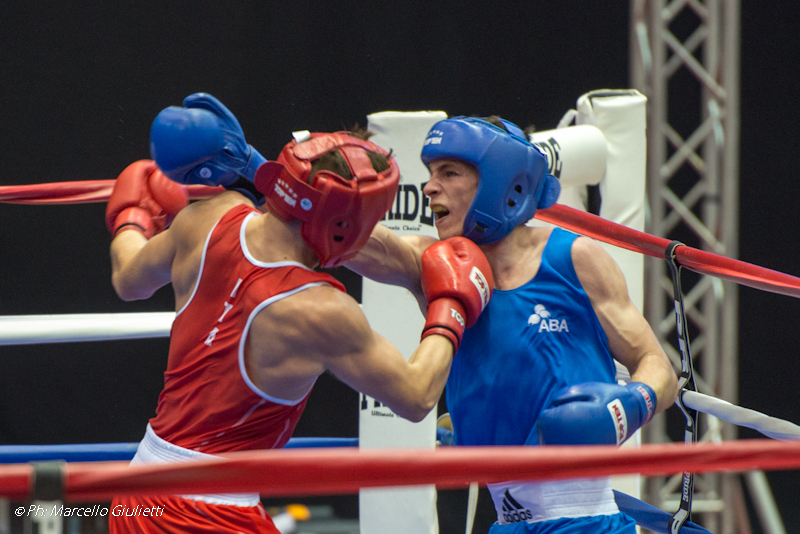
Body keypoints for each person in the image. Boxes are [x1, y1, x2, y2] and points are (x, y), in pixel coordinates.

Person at [104, 94, 494, 533]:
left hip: (137, 494)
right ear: (346, 226)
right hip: (213, 514)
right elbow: (416, 396)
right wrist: (451, 306)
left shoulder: (208, 216)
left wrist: (132, 218)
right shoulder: (320, 310)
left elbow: (128, 279)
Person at [345, 115, 680, 533]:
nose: (430, 187)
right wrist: (304, 196)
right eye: (431, 174)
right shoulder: (434, 265)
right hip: (506, 521)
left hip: (590, 520)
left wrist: (629, 405)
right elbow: (354, 243)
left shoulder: (574, 259)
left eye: (449, 173)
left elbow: (657, 365)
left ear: (503, 181)